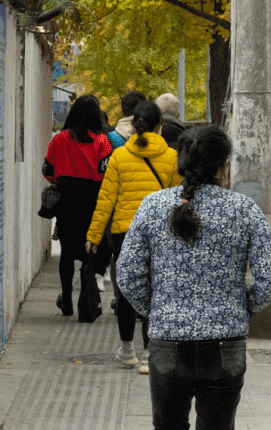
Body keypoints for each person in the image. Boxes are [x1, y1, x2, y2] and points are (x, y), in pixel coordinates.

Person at [117, 123, 271, 430]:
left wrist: (156, 309)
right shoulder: (244, 209)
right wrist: (241, 305)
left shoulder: (153, 206)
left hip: (168, 340)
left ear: (182, 162)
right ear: (224, 164)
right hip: (225, 344)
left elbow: (127, 274)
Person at [87, 99, 180, 371]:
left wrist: (93, 235)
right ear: (160, 125)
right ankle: (151, 355)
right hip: (160, 233)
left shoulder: (119, 156)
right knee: (156, 290)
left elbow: (106, 200)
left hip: (124, 233)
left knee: (126, 291)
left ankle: (128, 351)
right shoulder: (172, 158)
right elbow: (178, 201)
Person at [42, 94, 113, 322]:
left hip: (66, 202)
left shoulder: (59, 139)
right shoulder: (102, 142)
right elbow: (106, 173)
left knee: (67, 252)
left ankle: (67, 302)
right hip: (92, 202)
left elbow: (48, 171)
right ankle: (87, 299)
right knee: (89, 250)